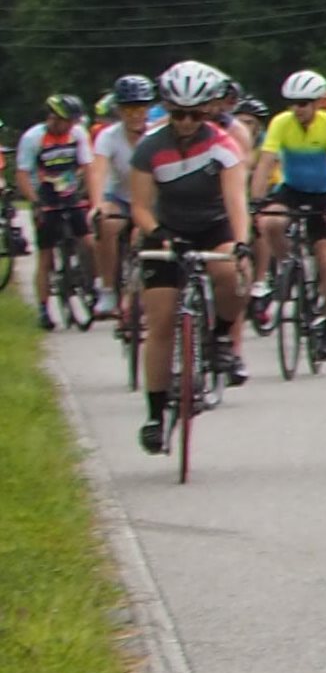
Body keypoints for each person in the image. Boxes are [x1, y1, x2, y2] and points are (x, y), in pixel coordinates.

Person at [130, 61, 254, 445]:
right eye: (179, 114)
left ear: (209, 111)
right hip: (167, 231)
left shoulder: (223, 145)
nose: (186, 122)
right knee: (162, 322)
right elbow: (140, 206)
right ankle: (154, 415)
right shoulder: (149, 147)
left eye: (196, 115)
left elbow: (236, 201)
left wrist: (240, 244)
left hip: (214, 227)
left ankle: (219, 338)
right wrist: (160, 234)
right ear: (167, 110)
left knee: (233, 276)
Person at [253, 70, 326, 352]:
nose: (298, 109)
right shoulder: (281, 123)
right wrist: (255, 200)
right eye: (294, 103)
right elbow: (265, 163)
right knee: (270, 223)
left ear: (318, 103)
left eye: (305, 103)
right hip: (293, 190)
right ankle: (287, 263)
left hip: (324, 193)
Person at [16, 93, 94, 329]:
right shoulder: (33, 138)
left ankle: (91, 284)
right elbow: (22, 175)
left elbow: (88, 167)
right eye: (66, 121)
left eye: (73, 122)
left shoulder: (78, 134)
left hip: (70, 192)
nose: (70, 126)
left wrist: (90, 195)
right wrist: (35, 201)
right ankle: (43, 308)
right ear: (53, 117)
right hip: (45, 195)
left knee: (89, 242)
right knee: (46, 255)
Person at [91, 76, 157, 319]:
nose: (135, 114)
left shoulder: (157, 135)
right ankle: (107, 288)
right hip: (120, 196)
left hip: (151, 200)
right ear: (118, 110)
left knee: (140, 235)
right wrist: (97, 204)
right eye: (128, 109)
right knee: (105, 223)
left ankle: (137, 290)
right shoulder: (108, 136)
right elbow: (98, 171)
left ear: (148, 108)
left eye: (140, 108)